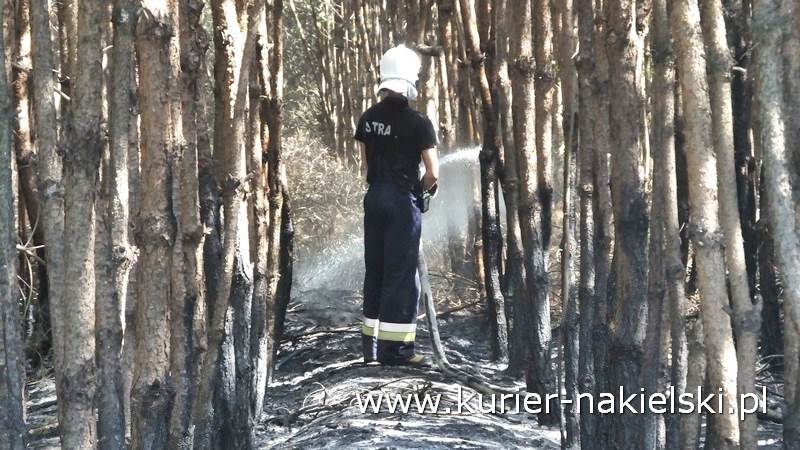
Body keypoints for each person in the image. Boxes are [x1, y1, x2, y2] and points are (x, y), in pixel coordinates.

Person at [354, 44, 439, 366]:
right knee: (401, 276)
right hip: (403, 203)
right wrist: (420, 193)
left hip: (374, 198)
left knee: (375, 270)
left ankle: (371, 351)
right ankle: (398, 352)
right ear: (410, 80)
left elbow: (366, 165)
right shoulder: (419, 122)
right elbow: (432, 172)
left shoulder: (368, 118)